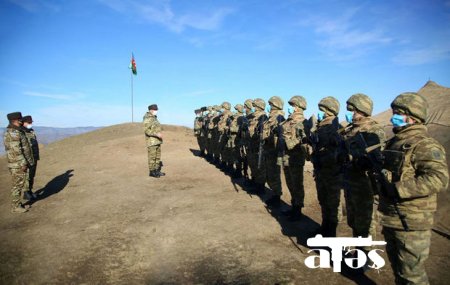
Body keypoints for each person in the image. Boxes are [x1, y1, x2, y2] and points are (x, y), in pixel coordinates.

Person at [379, 92, 448, 285]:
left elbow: (439, 178)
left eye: (398, 113)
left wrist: (399, 189)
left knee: (412, 276)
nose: (394, 116)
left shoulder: (424, 144)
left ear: (413, 116)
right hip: (392, 216)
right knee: (399, 270)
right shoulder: (394, 142)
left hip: (412, 221)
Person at [339, 94, 385, 247]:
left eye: (355, 111)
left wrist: (362, 161)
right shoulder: (350, 130)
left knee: (365, 221)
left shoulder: (374, 130)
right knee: (353, 219)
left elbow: (379, 158)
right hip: (350, 181)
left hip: (365, 183)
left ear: (363, 110)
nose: (352, 114)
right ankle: (359, 250)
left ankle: (364, 255)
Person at [310, 96, 343, 237]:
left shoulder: (335, 127)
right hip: (321, 170)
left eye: (323, 110)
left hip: (332, 172)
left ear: (330, 110)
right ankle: (325, 227)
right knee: (323, 200)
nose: (321, 112)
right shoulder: (320, 127)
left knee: (332, 203)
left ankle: (331, 233)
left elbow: (339, 151)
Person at [280, 96, 309, 220]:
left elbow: (304, 140)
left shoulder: (303, 122)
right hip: (286, 157)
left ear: (299, 107)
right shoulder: (287, 121)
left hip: (295, 158)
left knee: (297, 184)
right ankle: (293, 206)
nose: (291, 108)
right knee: (290, 183)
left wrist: (290, 142)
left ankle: (298, 209)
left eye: (293, 106)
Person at [3, 112, 35, 213]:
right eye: (20, 119)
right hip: (17, 164)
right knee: (17, 185)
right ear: (15, 120)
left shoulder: (17, 131)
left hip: (18, 163)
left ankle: (17, 204)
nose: (21, 121)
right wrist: (23, 163)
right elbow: (16, 150)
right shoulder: (13, 132)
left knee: (19, 184)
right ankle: (15, 207)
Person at [262, 96, 285, 206]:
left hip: (273, 151)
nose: (269, 107)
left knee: (274, 175)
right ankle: (274, 194)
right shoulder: (269, 118)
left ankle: (277, 197)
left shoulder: (279, 117)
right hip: (268, 150)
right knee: (269, 174)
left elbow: (280, 135)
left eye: (271, 105)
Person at [246, 98, 268, 194]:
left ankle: (260, 186)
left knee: (260, 167)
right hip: (251, 144)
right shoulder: (253, 117)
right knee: (253, 165)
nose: (253, 108)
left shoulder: (262, 117)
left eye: (255, 106)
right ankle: (255, 182)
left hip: (258, 146)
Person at [143, 104, 164, 178]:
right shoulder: (147, 118)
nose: (156, 111)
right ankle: (152, 172)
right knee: (152, 157)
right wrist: (156, 134)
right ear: (151, 110)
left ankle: (157, 171)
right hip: (152, 141)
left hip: (157, 141)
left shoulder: (154, 118)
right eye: (155, 110)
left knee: (157, 157)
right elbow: (146, 130)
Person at [22, 115, 39, 201]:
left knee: (32, 175)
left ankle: (30, 191)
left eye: (31, 122)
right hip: (27, 158)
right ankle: (26, 193)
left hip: (34, 157)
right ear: (23, 123)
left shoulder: (31, 131)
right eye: (29, 122)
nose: (30, 124)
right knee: (27, 176)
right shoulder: (21, 132)